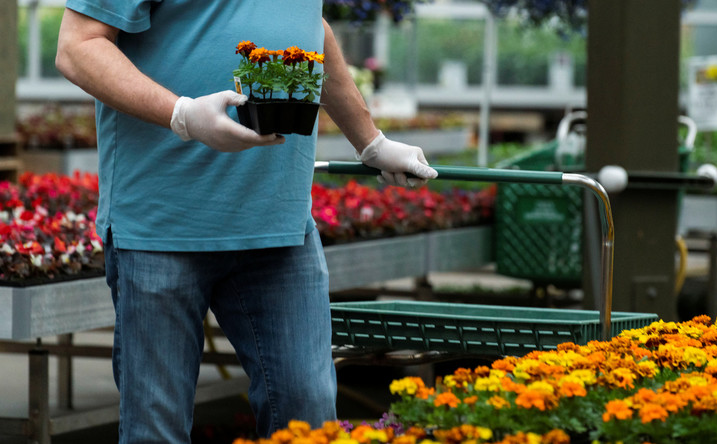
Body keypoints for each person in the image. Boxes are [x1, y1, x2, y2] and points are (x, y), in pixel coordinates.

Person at [56, 2, 438, 443]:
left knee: (308, 420)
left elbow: (310, 27)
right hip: (162, 228)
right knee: (155, 431)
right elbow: (77, 46)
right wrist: (182, 114)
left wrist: (370, 142)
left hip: (280, 228)